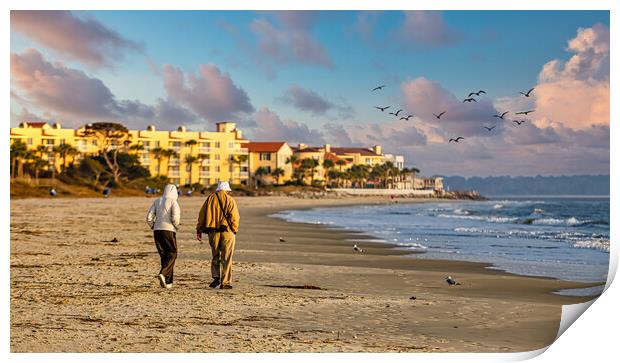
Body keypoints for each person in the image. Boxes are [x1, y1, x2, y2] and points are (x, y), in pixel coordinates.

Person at [196, 181, 240, 289]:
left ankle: (216, 278)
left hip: (213, 232)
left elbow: (202, 214)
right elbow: (235, 217)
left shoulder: (210, 199)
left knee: (215, 255)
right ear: (227, 190)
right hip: (227, 232)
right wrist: (234, 229)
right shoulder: (230, 200)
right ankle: (225, 282)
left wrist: (199, 229)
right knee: (227, 257)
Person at [146, 184, 181, 289]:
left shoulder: (157, 201)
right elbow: (175, 217)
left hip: (157, 230)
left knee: (164, 256)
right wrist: (176, 226)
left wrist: (153, 226)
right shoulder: (173, 202)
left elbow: (149, 217)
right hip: (169, 230)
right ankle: (163, 273)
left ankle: (168, 282)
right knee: (173, 253)